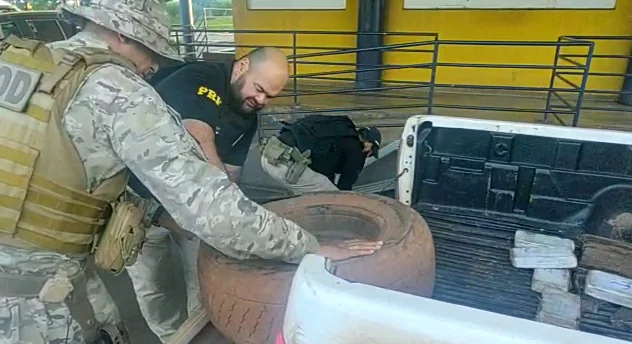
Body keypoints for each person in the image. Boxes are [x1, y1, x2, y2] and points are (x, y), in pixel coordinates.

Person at [0, 1, 382, 343]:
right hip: (38, 301)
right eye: (148, 49)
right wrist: (309, 246)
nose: (153, 65)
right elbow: (213, 208)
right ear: (118, 30)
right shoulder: (117, 91)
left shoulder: (16, 63)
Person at [125, 47, 288, 342]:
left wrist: (229, 214)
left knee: (201, 279)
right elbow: (199, 135)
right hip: (141, 203)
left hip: (192, 209)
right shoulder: (201, 77)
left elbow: (232, 174)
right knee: (153, 285)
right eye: (260, 89)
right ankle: (168, 336)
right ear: (242, 67)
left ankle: (192, 335)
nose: (262, 100)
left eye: (270, 97)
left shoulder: (248, 116)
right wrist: (226, 209)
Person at [260, 114, 382, 194]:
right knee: (333, 198)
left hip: (268, 155)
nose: (369, 154)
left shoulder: (338, 129)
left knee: (313, 188)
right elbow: (345, 187)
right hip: (287, 166)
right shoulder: (356, 150)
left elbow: (324, 164)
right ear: (368, 142)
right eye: (371, 151)